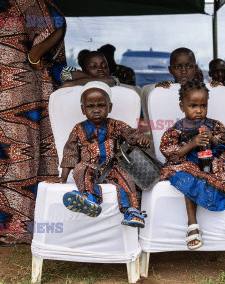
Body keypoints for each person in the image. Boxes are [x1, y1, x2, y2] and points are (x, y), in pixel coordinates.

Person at [0, 0, 67, 246]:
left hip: (17, 99)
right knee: (12, 159)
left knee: (19, 158)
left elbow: (56, 26)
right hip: (7, 98)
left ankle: (21, 228)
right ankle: (22, 224)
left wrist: (33, 56)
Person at [159, 80, 225, 250]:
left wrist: (212, 139)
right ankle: (192, 225)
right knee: (188, 180)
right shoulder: (177, 128)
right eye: (193, 106)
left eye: (203, 105)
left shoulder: (213, 125)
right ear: (182, 106)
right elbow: (169, 151)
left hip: (212, 164)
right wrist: (191, 144)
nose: (198, 110)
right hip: (186, 165)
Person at [49, 82, 150, 227]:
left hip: (113, 167)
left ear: (110, 107)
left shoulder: (116, 125)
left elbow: (130, 134)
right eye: (91, 107)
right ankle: (90, 199)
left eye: (101, 106)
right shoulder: (78, 129)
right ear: (83, 109)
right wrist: (63, 177)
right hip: (90, 167)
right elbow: (70, 153)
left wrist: (140, 138)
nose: (96, 110)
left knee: (125, 175)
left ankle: (132, 210)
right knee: (80, 168)